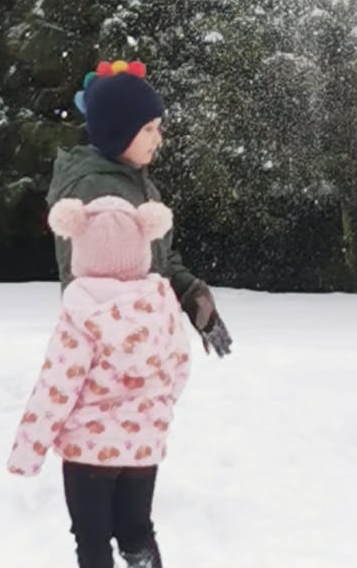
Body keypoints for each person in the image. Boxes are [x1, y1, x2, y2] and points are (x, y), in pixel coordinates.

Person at [9, 195, 192, 568]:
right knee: (137, 527)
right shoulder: (161, 303)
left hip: (88, 450)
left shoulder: (81, 310)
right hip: (143, 447)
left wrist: (29, 449)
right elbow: (179, 363)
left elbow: (57, 384)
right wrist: (157, 410)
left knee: (91, 530)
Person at [49, 60, 231, 358]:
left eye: (158, 128)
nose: (158, 139)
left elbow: (155, 257)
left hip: (144, 341)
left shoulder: (136, 183)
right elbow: (83, 281)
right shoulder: (93, 190)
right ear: (116, 132)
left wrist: (190, 294)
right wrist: (118, 351)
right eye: (148, 129)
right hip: (110, 354)